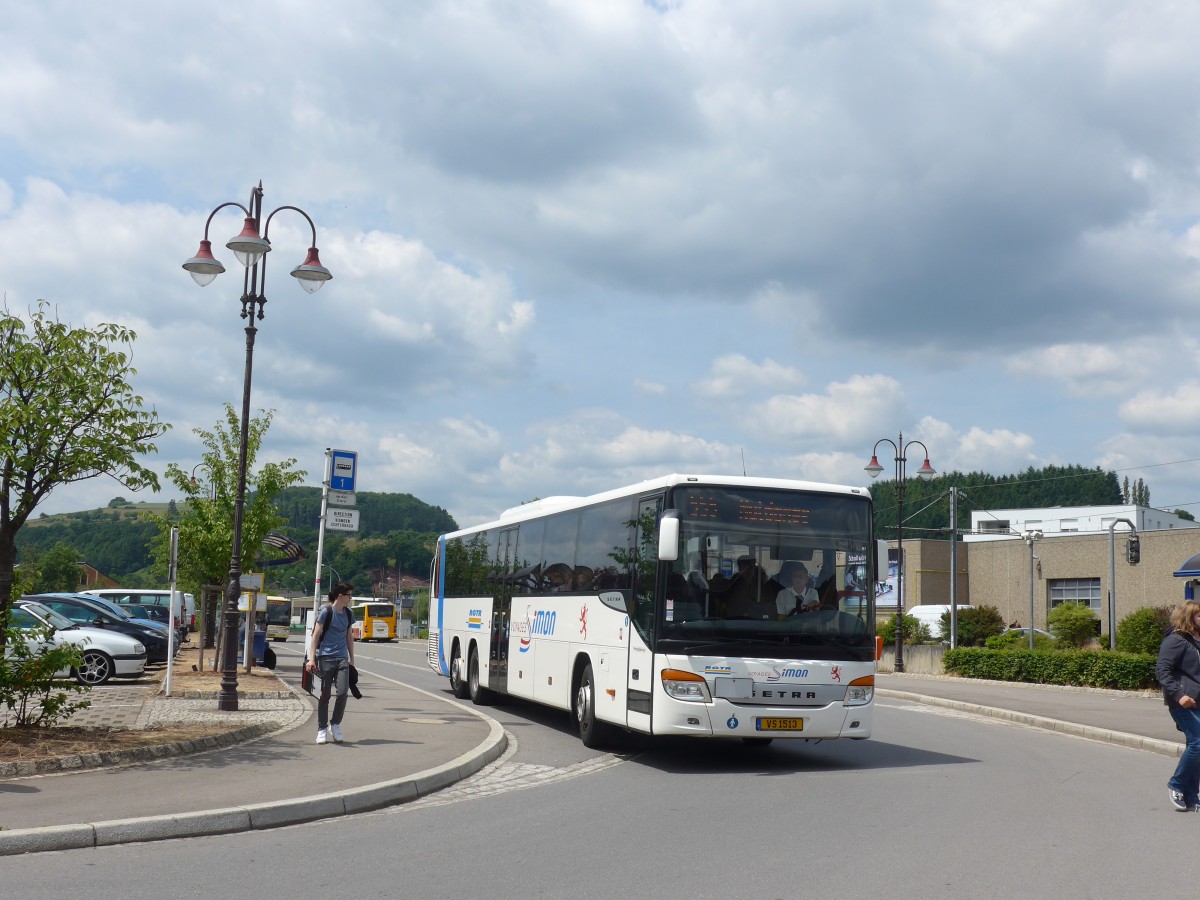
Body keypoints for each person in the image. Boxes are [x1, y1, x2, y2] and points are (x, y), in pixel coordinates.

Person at [1155, 601, 1200, 811]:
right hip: (1183, 702)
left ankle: (1192, 794)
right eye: (1199, 615)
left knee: (1197, 746)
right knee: (1198, 743)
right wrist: (1179, 695)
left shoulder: (1198, 642)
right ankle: (1177, 785)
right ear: (1188, 617)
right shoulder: (1175, 641)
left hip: (1198, 700)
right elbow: (1162, 671)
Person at [306, 582, 357, 745]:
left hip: (342, 658)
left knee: (342, 692)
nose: (351, 598)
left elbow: (349, 637)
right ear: (340, 596)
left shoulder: (349, 614)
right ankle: (322, 728)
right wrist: (311, 658)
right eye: (349, 595)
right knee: (324, 695)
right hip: (325, 658)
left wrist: (352, 660)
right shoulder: (326, 612)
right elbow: (315, 636)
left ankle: (335, 724)